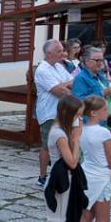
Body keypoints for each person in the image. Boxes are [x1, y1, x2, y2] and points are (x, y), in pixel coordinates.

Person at [38, 95, 84, 222]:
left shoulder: (64, 131)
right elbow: (72, 161)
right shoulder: (59, 134)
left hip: (70, 181)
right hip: (60, 182)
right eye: (78, 115)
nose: (80, 120)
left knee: (67, 221)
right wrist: (77, 138)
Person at [34, 39, 74, 187]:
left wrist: (63, 86)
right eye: (59, 51)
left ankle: (61, 173)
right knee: (47, 145)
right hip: (49, 113)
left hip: (63, 112)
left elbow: (73, 82)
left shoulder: (58, 67)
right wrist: (64, 86)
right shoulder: (42, 69)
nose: (62, 53)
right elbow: (59, 92)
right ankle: (42, 176)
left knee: (64, 143)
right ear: (49, 53)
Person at [71, 46, 111, 113]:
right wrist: (103, 93)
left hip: (104, 118)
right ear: (87, 61)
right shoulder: (81, 78)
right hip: (90, 120)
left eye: (101, 60)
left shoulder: (101, 76)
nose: (100, 63)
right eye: (97, 60)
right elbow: (79, 101)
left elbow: (108, 98)